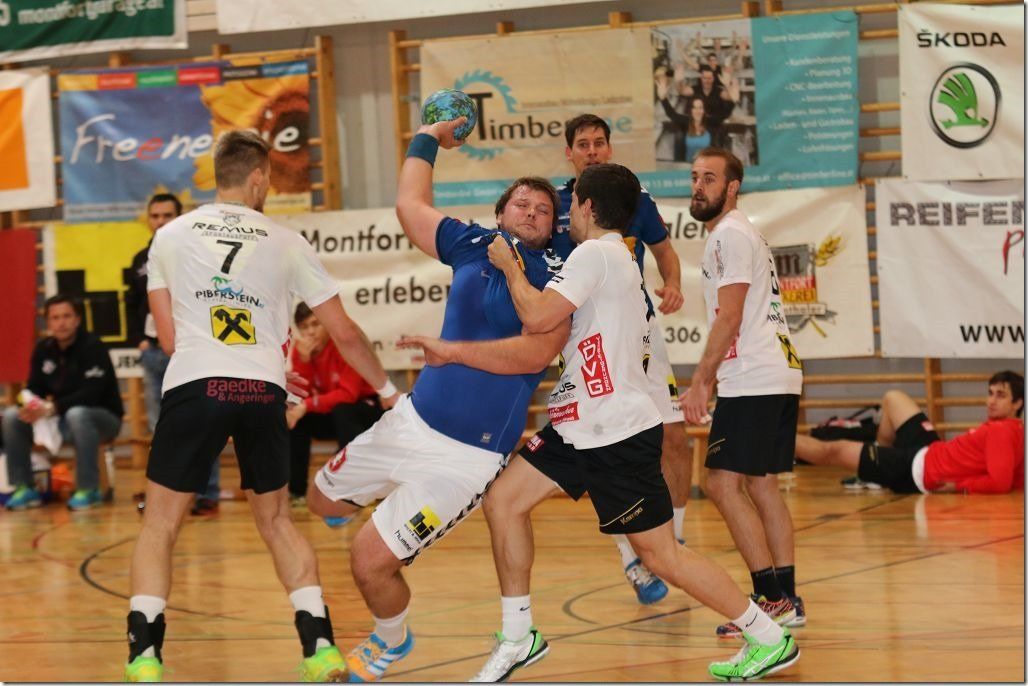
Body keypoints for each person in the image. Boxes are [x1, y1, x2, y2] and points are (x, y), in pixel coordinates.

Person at [404, 163, 800, 683]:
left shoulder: (597, 254)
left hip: (614, 432)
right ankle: (519, 636)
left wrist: (509, 267)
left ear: (587, 207)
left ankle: (768, 636)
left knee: (662, 556)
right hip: (577, 423)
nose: (566, 214)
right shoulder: (610, 258)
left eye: (570, 205)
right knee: (504, 501)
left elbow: (537, 317)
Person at [122, 130, 398, 683]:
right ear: (256, 177)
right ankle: (320, 650)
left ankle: (145, 659)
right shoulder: (287, 240)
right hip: (261, 390)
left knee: (160, 524)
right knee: (275, 521)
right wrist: (388, 391)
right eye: (269, 177)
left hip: (196, 383)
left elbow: (170, 340)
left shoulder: (169, 236)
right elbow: (343, 330)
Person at [306, 118, 569, 683]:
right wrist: (427, 135)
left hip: (464, 460)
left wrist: (451, 351)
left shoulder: (557, 279)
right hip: (409, 422)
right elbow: (410, 205)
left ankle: (391, 639)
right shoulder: (472, 244)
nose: (530, 212)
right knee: (319, 500)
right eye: (521, 204)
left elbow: (533, 355)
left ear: (553, 227)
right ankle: (379, 506)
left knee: (368, 563)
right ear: (500, 214)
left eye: (543, 210)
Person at [553, 113, 691, 606]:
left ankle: (671, 543)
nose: (592, 150)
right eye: (582, 144)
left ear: (609, 148)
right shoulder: (559, 206)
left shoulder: (633, 198)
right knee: (599, 442)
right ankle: (632, 557)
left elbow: (665, 250)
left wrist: (673, 283)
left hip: (641, 334)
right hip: (591, 342)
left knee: (674, 439)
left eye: (599, 142)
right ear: (569, 153)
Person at [681, 147, 806, 637]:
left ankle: (771, 599)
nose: (699, 186)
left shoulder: (729, 235)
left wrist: (701, 381)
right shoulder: (740, 233)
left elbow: (729, 316)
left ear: (732, 187)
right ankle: (786, 597)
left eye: (709, 178)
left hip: (754, 376)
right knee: (760, 484)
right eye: (695, 177)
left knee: (720, 483)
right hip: (777, 371)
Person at [126, 193, 222, 517]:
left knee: (200, 422)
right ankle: (166, 497)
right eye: (155, 216)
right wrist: (139, 339)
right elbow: (131, 303)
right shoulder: (140, 259)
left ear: (179, 217)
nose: (160, 221)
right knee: (161, 428)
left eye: (167, 215)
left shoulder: (195, 253)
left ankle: (206, 493)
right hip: (153, 352)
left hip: (189, 351)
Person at [795, 372, 1025, 495]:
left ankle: (777, 438)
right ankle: (875, 472)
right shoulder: (1012, 428)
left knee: (833, 450)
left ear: (1018, 403)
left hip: (915, 471)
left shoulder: (1002, 431)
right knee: (893, 398)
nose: (991, 401)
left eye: (1000, 396)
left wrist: (958, 486)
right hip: (930, 450)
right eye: (990, 393)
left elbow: (1000, 483)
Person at [4, 294, 124, 511]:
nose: (61, 323)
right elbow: (35, 387)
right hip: (61, 419)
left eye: (67, 316)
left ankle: (89, 489)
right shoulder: (43, 349)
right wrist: (27, 405)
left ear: (77, 319)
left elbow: (91, 394)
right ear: (48, 323)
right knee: (12, 416)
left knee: (77, 413)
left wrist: (52, 408)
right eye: (55, 318)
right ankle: (25, 487)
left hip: (103, 419)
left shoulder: (93, 347)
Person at [286, 302, 383, 509]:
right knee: (297, 419)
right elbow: (301, 394)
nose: (310, 332)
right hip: (332, 410)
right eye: (304, 327)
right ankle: (297, 491)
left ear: (326, 324)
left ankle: (348, 488)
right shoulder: (302, 350)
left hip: (364, 410)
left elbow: (348, 394)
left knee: (342, 411)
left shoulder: (344, 345)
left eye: (315, 324)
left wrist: (307, 405)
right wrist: (304, 361)